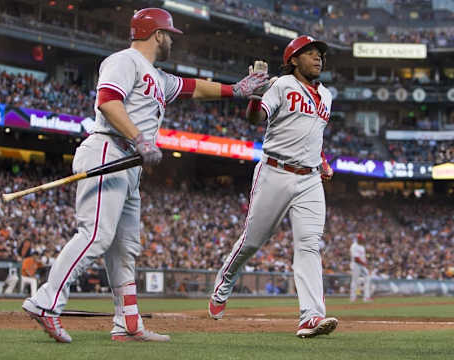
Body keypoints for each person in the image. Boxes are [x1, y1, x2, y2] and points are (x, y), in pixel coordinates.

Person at [21, 7, 269, 344]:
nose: (171, 41)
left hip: (129, 163)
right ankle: (46, 302)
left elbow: (195, 88)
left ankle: (128, 322)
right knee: (95, 235)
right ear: (157, 34)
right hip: (109, 150)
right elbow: (108, 102)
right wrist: (138, 137)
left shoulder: (158, 76)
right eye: (168, 34)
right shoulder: (124, 60)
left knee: (125, 250)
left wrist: (237, 90)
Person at [208, 35, 338, 339]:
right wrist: (255, 95)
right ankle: (225, 281)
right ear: (293, 60)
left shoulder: (327, 95)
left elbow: (312, 134)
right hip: (275, 172)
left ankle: (310, 316)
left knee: (309, 244)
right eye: (309, 53)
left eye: (319, 54)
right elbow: (256, 118)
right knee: (253, 241)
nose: (317, 58)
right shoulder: (281, 84)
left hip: (309, 180)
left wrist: (322, 161)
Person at [350, 234, 372, 302]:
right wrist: (364, 264)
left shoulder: (362, 247)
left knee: (367, 278)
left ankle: (366, 297)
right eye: (361, 239)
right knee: (354, 281)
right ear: (358, 239)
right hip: (356, 265)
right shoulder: (354, 246)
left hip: (362, 265)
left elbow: (363, 257)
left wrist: (366, 263)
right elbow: (356, 258)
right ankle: (353, 298)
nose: (363, 240)